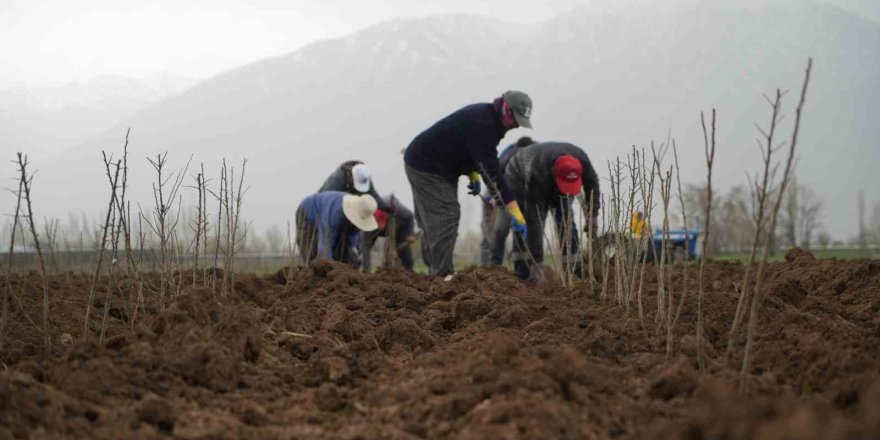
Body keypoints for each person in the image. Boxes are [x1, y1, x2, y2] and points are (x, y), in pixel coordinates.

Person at [404, 90, 533, 278]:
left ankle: (435, 271)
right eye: (516, 121)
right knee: (446, 215)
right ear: (506, 110)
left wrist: (472, 173)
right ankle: (442, 276)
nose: (516, 126)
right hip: (427, 166)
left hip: (441, 167)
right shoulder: (483, 123)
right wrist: (514, 210)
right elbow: (491, 170)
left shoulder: (491, 121)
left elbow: (470, 151)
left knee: (434, 222)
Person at [505, 142, 600, 283]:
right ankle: (525, 272)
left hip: (549, 175)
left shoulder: (582, 161)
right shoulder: (537, 173)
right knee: (526, 224)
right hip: (519, 175)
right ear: (554, 172)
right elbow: (534, 220)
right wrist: (538, 265)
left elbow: (593, 187)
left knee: (566, 222)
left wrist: (592, 217)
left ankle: (574, 271)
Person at [479, 136, 537, 266]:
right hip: (500, 193)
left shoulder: (539, 156)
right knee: (499, 229)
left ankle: (521, 268)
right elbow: (496, 182)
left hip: (522, 195)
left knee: (522, 230)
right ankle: (493, 265)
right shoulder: (506, 159)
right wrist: (495, 198)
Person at [296, 192, 379, 267]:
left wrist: (354, 251)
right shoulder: (334, 214)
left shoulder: (359, 214)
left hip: (329, 216)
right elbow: (326, 245)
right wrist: (331, 271)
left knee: (346, 256)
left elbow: (352, 240)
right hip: (308, 216)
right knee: (314, 258)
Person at [362, 195, 418, 272]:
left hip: (396, 225)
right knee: (365, 245)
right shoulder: (370, 210)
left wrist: (410, 233)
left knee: (404, 250)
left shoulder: (400, 211)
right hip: (373, 226)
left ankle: (409, 271)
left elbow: (409, 215)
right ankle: (365, 270)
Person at [318, 160, 391, 212]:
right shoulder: (337, 179)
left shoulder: (364, 176)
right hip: (328, 205)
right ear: (352, 177)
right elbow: (325, 202)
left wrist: (387, 208)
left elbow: (374, 196)